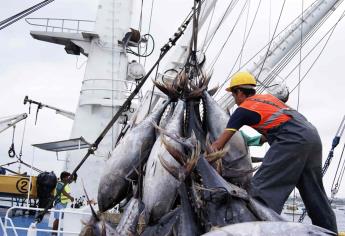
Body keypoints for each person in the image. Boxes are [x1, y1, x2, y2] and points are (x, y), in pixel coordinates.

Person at [211, 71, 337, 233]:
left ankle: (258, 232)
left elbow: (219, 144)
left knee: (260, 193)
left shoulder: (242, 110)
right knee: (314, 194)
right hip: (312, 137)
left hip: (292, 141)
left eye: (234, 94)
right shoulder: (269, 100)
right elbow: (273, 129)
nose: (235, 100)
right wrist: (259, 139)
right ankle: (329, 231)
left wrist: (204, 159)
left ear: (240, 92)